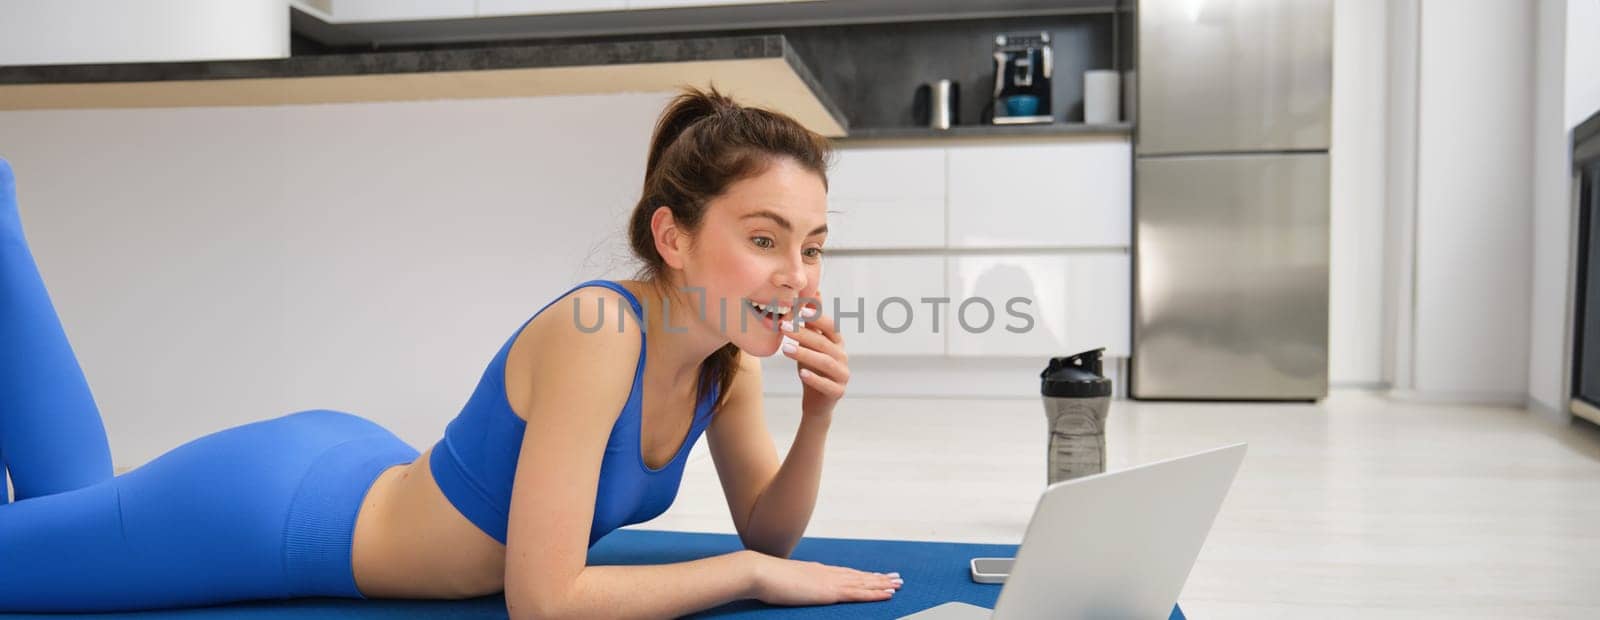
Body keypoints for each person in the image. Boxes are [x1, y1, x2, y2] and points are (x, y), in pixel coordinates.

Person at [0, 87, 905, 617]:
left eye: (812, 245)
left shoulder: (725, 367)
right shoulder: (603, 330)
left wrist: (817, 422)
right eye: (763, 238)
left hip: (365, 464)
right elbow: (544, 601)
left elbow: (770, 530)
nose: (798, 275)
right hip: (278, 513)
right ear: (671, 237)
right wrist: (741, 577)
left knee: (69, 510)